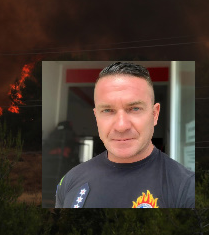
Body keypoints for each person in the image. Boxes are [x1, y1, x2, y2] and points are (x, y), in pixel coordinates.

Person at [55, 61, 194, 208]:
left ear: (155, 114)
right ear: (97, 117)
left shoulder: (187, 188)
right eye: (108, 110)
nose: (121, 126)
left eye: (134, 108)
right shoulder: (71, 180)